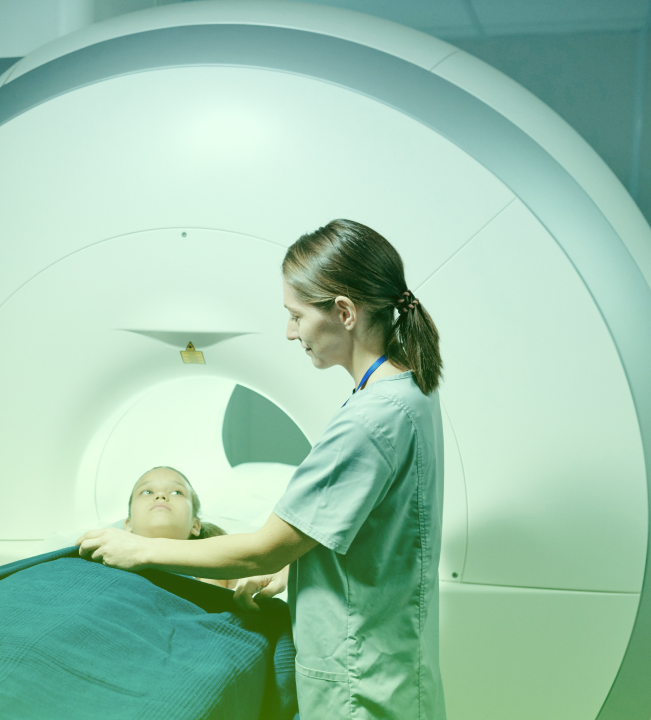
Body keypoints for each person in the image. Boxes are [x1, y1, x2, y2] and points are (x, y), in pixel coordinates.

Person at [78, 219, 447, 720]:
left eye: (296, 315)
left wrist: (141, 548)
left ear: (343, 312)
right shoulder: (407, 392)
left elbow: (263, 547)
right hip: (391, 662)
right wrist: (299, 567)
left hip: (359, 684)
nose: (290, 331)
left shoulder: (369, 420)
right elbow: (373, 529)